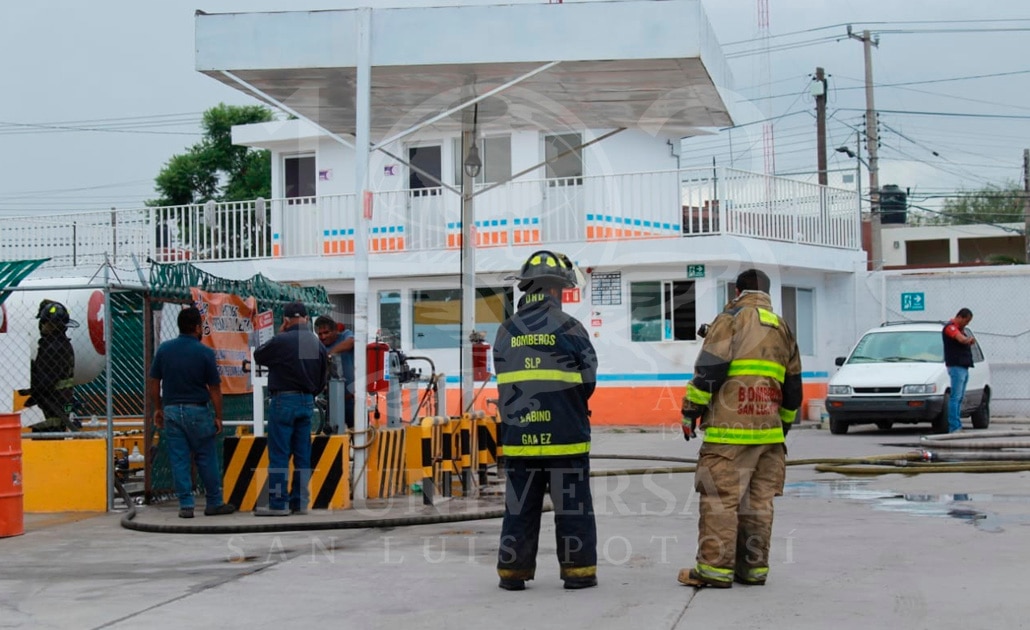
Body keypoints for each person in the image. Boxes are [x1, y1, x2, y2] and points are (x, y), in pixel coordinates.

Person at [679, 268, 802, 589]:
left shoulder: (731, 319)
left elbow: (710, 369)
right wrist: (781, 426)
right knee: (758, 503)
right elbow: (793, 388)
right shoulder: (784, 328)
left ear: (737, 290)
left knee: (720, 499)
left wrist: (690, 410)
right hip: (770, 436)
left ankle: (714, 570)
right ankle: (752, 569)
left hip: (728, 435)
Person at [493, 250, 599, 591]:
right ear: (557, 290)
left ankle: (513, 575)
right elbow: (588, 381)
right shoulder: (572, 327)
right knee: (573, 509)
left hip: (520, 439)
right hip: (566, 437)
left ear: (528, 288)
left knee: (519, 508)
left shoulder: (505, 331)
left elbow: (504, 378)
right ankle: (578, 574)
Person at [147, 306, 236, 519]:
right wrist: (218, 416)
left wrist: (158, 408)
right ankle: (214, 502)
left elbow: (153, 382)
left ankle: (186, 505)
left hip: (171, 411)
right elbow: (215, 388)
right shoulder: (205, 352)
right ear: (198, 327)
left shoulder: (165, 350)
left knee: (179, 459)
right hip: (197, 410)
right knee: (206, 456)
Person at [253, 301, 328, 516]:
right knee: (302, 454)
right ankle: (300, 502)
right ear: (306, 318)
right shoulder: (315, 343)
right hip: (307, 401)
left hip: (284, 400)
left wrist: (279, 334)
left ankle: (278, 503)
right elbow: (323, 376)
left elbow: (259, 356)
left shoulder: (282, 340)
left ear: (285, 320)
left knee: (279, 453)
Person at [26, 300, 79, 433]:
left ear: (48, 324)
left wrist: (29, 381)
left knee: (46, 441)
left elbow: (45, 382)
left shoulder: (53, 348)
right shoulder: (62, 345)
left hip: (50, 407)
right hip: (60, 403)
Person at [314, 315, 355, 430]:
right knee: (331, 434)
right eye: (319, 334)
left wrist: (330, 354)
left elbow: (351, 342)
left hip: (351, 399)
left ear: (335, 330)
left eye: (326, 332)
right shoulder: (318, 347)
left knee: (358, 434)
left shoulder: (345, 336)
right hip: (332, 401)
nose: (323, 337)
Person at [942, 307, 976, 434]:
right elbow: (960, 339)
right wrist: (968, 340)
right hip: (956, 366)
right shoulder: (950, 328)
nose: (967, 324)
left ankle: (957, 424)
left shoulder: (960, 329)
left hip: (963, 366)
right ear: (960, 317)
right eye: (966, 321)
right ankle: (954, 427)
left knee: (959, 397)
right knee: (955, 397)